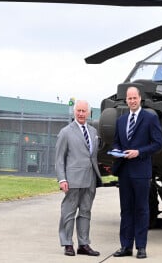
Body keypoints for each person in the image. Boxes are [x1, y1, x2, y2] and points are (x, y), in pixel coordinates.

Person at [112, 86, 162, 259]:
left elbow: (158, 144)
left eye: (135, 98)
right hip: (124, 171)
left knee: (141, 209)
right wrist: (116, 150)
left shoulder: (150, 118)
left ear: (140, 99)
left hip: (141, 171)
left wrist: (139, 152)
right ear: (126, 100)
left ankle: (141, 247)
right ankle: (126, 246)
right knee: (125, 210)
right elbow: (116, 142)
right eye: (129, 98)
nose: (132, 101)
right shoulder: (121, 120)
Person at [55, 100, 102, 257]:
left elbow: (92, 156)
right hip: (73, 179)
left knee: (85, 212)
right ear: (74, 112)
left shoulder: (94, 132)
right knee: (68, 212)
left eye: (84, 111)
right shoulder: (66, 132)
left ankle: (84, 244)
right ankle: (67, 243)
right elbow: (59, 159)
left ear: (89, 113)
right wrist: (62, 179)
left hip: (90, 179)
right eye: (78, 111)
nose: (81, 114)